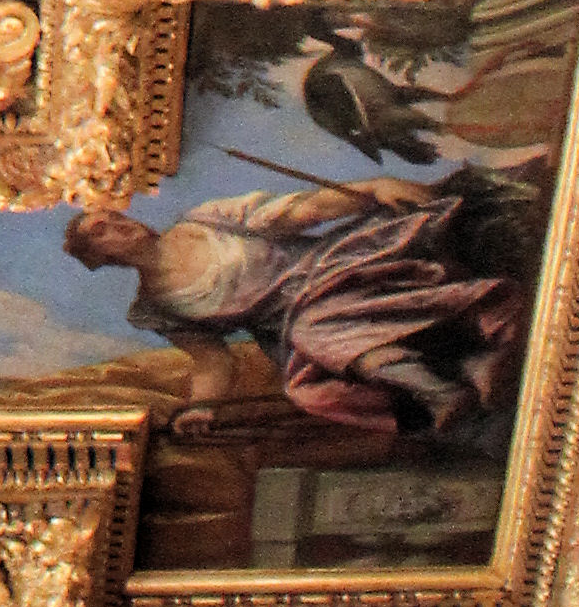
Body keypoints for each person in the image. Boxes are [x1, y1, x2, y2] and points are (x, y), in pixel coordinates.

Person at [61, 158, 550, 443]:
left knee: (318, 328)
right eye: (100, 231)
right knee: (307, 390)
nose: (117, 223)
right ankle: (458, 386)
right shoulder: (154, 308)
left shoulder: (209, 220)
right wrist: (201, 409)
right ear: (99, 258)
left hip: (338, 266)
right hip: (291, 324)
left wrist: (373, 188)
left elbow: (305, 211)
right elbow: (212, 362)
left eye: (111, 215)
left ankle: (446, 388)